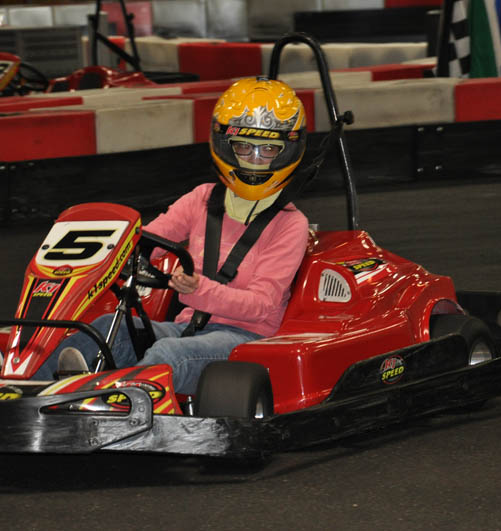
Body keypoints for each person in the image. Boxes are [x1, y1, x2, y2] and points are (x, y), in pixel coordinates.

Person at [33, 76, 309, 396]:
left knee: (168, 354)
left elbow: (261, 306)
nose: (255, 159)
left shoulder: (290, 224)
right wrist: (115, 255)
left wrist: (198, 289)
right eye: (244, 147)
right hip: (187, 328)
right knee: (104, 329)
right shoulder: (202, 199)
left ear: (287, 151)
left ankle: (118, 403)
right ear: (226, 145)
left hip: (246, 339)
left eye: (269, 149)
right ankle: (26, 389)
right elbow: (148, 238)